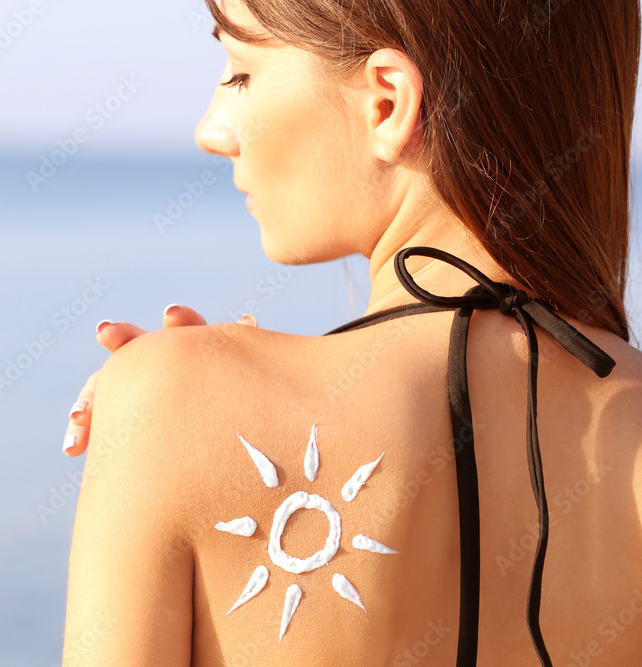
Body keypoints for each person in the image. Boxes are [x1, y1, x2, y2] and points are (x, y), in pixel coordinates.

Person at [61, 0, 642, 664]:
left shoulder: (169, 398)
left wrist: (167, 402)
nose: (211, 130)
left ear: (388, 103)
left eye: (241, 73)